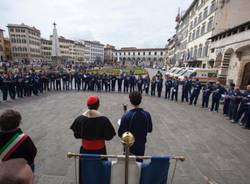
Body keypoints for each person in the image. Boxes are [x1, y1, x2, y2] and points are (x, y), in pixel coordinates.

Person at [118, 92, 153, 161]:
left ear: (130, 101)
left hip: (129, 145)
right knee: (139, 164)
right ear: (140, 100)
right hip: (141, 144)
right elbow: (149, 129)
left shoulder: (126, 115)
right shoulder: (146, 114)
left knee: (128, 165)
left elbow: (121, 133)